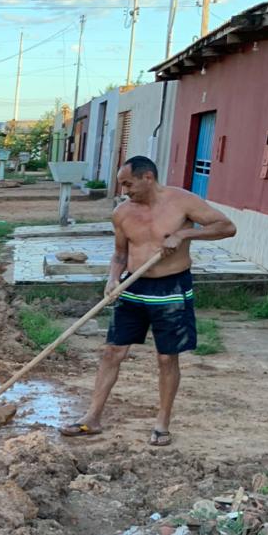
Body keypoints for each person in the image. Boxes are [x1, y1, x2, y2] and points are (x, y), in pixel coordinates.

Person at [61, 156, 236, 446]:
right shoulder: (122, 213)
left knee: (166, 357)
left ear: (148, 178)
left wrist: (183, 233)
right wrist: (112, 279)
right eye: (122, 185)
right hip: (133, 285)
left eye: (128, 183)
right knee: (112, 352)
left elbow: (227, 227)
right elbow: (119, 253)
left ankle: (162, 424)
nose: (125, 190)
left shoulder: (183, 201)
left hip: (172, 288)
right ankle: (92, 418)